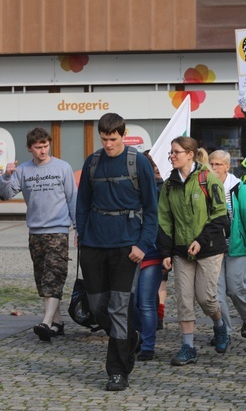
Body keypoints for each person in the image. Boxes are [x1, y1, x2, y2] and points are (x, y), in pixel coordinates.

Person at [76, 113, 158, 391]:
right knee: (98, 307)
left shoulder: (139, 163)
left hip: (127, 248)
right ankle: (130, 340)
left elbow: (151, 209)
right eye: (104, 139)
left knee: (119, 308)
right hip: (94, 245)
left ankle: (117, 371)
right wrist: (82, 237)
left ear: (123, 135)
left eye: (113, 139)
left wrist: (143, 245)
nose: (108, 144)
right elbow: (83, 204)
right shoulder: (93, 162)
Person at [158, 136, 230, 367]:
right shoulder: (168, 185)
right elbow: (165, 220)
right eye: (171, 152)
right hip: (181, 251)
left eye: (177, 152)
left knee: (206, 298)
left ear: (190, 154)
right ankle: (188, 346)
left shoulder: (207, 179)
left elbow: (220, 215)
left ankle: (220, 326)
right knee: (184, 299)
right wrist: (166, 252)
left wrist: (201, 240)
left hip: (208, 249)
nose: (172, 156)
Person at [0, 127, 76, 342]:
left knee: (54, 276)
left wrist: (79, 227)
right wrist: (6, 176)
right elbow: (5, 194)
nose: (43, 150)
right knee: (43, 280)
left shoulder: (63, 167)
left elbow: (73, 198)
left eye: (45, 146)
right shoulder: (23, 170)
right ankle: (57, 323)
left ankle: (46, 322)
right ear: (29, 149)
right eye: (38, 147)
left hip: (58, 231)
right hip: (35, 232)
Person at [208, 150, 246, 344]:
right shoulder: (207, 188)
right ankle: (224, 331)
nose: (214, 168)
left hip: (237, 247)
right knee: (216, 291)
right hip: (215, 248)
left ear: (228, 167)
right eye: (211, 163)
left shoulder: (239, 188)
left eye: (218, 164)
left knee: (235, 288)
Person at [132, 151, 166, 361]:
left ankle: (148, 345)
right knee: (131, 301)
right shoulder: (128, 189)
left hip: (152, 251)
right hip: (129, 252)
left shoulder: (161, 191)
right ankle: (136, 338)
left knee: (145, 301)